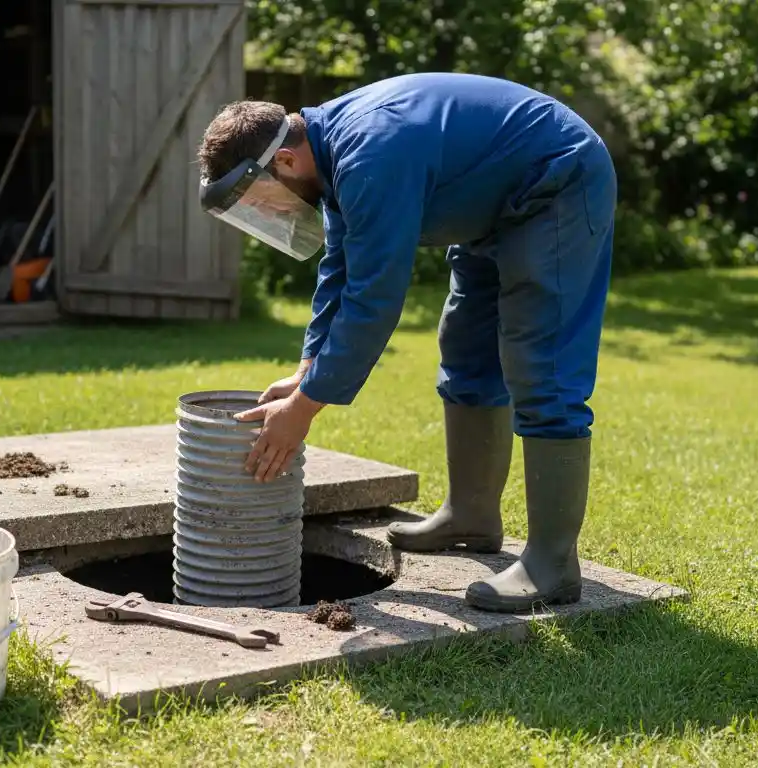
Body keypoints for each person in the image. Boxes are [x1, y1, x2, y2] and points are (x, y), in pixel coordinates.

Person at [195, 72, 617, 613]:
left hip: (558, 181)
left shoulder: (369, 154)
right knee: (466, 350)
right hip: (492, 210)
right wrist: (307, 368)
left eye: (261, 201)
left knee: (541, 366)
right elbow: (340, 270)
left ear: (283, 163)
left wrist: (304, 409)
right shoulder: (329, 154)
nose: (272, 213)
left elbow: (374, 300)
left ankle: (552, 565)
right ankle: (472, 514)